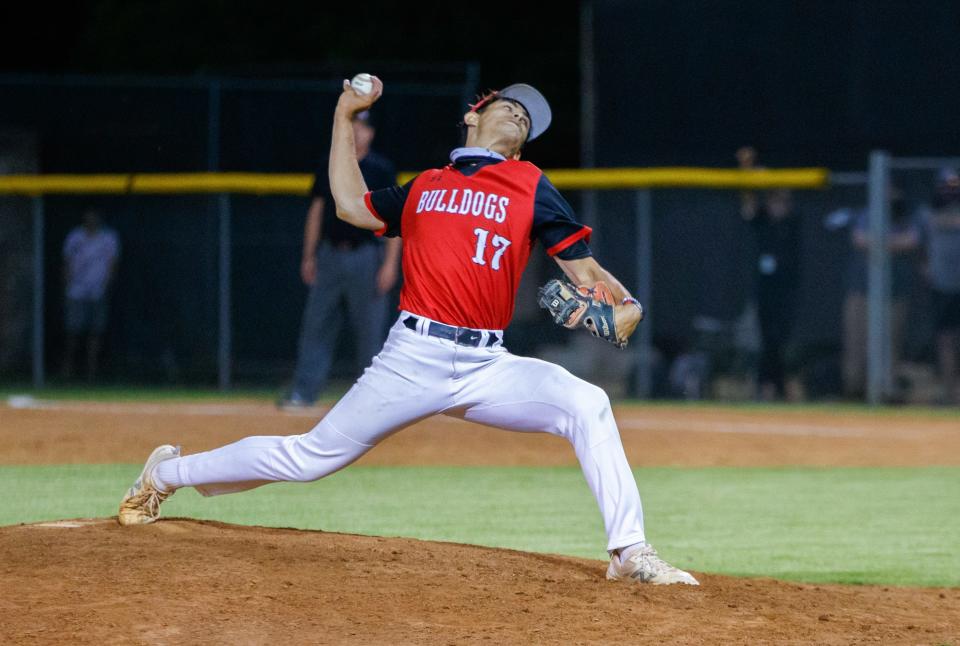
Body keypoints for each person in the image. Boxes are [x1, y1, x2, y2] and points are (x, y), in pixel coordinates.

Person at [118, 78, 698, 586]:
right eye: (509, 105)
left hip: (488, 366)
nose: (520, 114)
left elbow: (584, 270)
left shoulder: (530, 184)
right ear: (473, 114)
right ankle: (164, 474)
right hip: (412, 356)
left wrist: (628, 303)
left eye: (528, 119)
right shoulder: (424, 186)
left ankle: (628, 551)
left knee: (588, 403)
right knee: (308, 458)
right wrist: (344, 115)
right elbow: (349, 204)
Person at [280, 110, 402, 408]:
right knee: (316, 326)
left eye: (364, 128)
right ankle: (304, 391)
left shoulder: (381, 169)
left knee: (370, 331)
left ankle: (371, 399)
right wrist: (309, 255)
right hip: (330, 254)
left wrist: (389, 264)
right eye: (354, 127)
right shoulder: (331, 164)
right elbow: (317, 211)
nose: (359, 133)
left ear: (371, 133)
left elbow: (395, 218)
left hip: (367, 257)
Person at [826, 189, 920, 400]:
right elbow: (859, 239)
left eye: (893, 192)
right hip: (861, 288)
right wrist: (891, 243)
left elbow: (912, 240)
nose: (889, 197)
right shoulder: (865, 214)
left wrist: (878, 242)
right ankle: (854, 390)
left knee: (891, 343)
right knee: (856, 340)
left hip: (895, 290)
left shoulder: (906, 215)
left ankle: (886, 390)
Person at [737, 147, 802, 400]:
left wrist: (772, 183)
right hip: (765, 286)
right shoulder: (762, 217)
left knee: (780, 338)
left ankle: (777, 386)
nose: (776, 202)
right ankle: (770, 387)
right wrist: (748, 173)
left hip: (787, 287)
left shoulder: (792, 218)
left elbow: (784, 200)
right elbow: (749, 208)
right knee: (767, 338)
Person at [61, 208, 120, 381]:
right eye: (88, 215)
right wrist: (65, 287)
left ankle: (91, 371)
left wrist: (107, 287)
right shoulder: (75, 237)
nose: (91, 218)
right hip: (76, 290)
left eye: (94, 215)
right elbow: (66, 263)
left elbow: (113, 264)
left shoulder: (108, 237)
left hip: (98, 290)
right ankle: (68, 369)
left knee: (96, 332)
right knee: (73, 331)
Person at [922, 168, 960, 404]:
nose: (950, 190)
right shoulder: (926, 212)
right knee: (945, 339)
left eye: (954, 185)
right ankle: (948, 392)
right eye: (946, 185)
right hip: (941, 285)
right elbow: (920, 239)